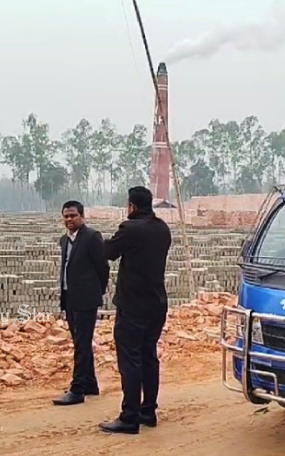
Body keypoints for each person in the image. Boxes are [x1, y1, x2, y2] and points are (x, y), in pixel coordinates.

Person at [98, 186, 172, 434]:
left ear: (132, 206)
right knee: (149, 357)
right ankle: (147, 411)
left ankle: (129, 416)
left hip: (133, 306)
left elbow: (109, 253)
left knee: (130, 361)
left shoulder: (130, 228)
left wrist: (100, 240)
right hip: (157, 304)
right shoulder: (162, 229)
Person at [53, 200, 110, 406]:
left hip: (86, 300)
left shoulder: (92, 237)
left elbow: (103, 267)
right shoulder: (64, 240)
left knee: (82, 344)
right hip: (69, 298)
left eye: (73, 216)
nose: (69, 219)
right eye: (66, 216)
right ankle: (90, 384)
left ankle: (77, 389)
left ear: (82, 216)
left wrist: (97, 291)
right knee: (80, 342)